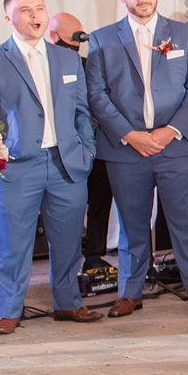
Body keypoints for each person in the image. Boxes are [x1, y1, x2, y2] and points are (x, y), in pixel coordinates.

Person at [85, 0, 188, 318]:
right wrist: (129, 134)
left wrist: (168, 131)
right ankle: (131, 290)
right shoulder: (101, 39)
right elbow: (96, 95)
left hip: (175, 146)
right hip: (125, 148)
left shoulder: (185, 35)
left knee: (185, 221)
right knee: (131, 223)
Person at [0, 0, 101, 333]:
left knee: (66, 240)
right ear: (9, 19)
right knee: (14, 243)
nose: (34, 16)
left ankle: (68, 303)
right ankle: (8, 311)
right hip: (17, 168)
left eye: (39, 9)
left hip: (66, 164)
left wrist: (86, 151)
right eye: (24, 10)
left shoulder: (67, 59)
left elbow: (83, 112)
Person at [48, 14, 112, 271]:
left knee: (100, 202)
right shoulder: (45, 67)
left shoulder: (88, 65)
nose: (77, 44)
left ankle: (95, 256)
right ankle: (67, 261)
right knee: (66, 211)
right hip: (62, 151)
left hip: (96, 147)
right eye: (72, 38)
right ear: (53, 37)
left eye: (80, 38)